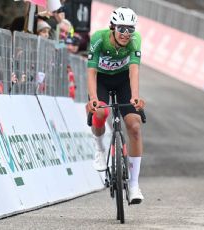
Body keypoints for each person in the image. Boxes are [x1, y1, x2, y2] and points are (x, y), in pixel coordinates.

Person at [86, 7, 145, 204]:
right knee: (101, 113)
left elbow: (134, 70)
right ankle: (99, 148)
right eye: (121, 28)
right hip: (101, 80)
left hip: (122, 81)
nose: (126, 34)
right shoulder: (99, 38)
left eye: (130, 29)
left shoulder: (135, 40)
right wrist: (93, 98)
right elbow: (92, 72)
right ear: (112, 27)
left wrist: (135, 96)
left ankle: (134, 185)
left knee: (135, 126)